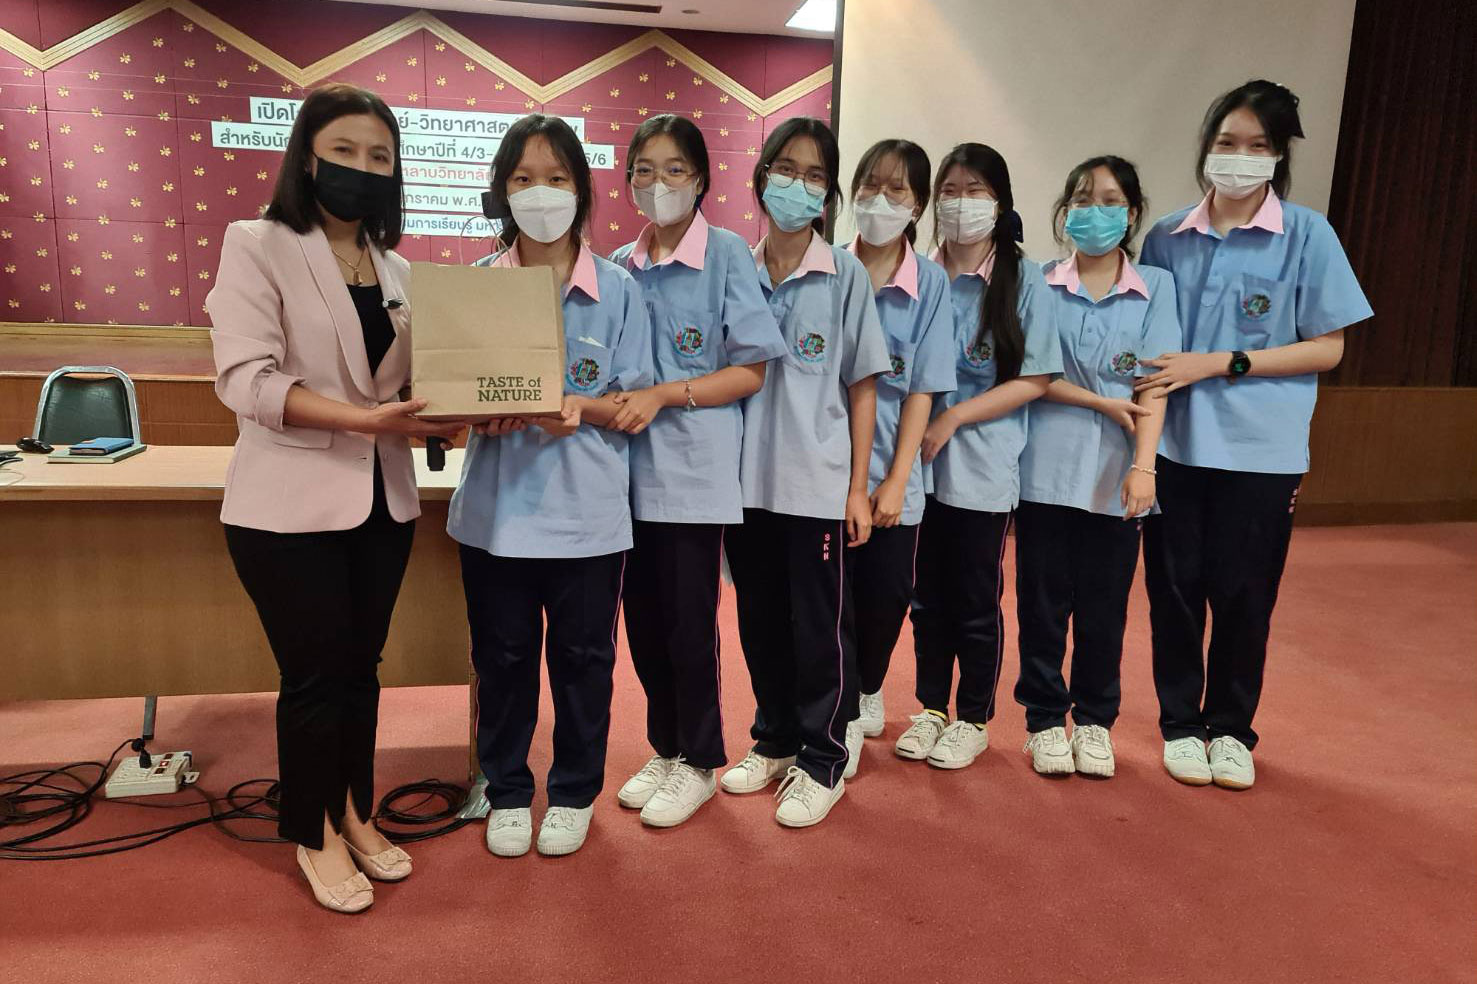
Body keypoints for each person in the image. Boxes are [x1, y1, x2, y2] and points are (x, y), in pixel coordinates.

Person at [208, 83, 461, 914]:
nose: (363, 168)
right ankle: (310, 833)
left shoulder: (399, 270)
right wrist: (364, 420)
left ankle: (352, 810)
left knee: (361, 671)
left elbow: (409, 388)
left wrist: (453, 412)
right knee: (314, 676)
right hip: (286, 507)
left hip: (383, 504)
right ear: (307, 159)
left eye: (380, 156)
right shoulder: (257, 243)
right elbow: (246, 381)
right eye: (344, 151)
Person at [1137, 80, 1371, 790]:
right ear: (1206, 149)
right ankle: (1181, 724)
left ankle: (1232, 729)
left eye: (1256, 146)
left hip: (1261, 453)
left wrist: (1221, 362)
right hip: (1175, 447)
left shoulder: (1306, 234)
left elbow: (1327, 347)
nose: (1238, 158)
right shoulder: (1166, 236)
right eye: (1226, 143)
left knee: (1244, 597)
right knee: (1173, 592)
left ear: (1277, 157)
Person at [450, 114, 653, 856]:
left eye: (557, 178)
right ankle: (506, 789)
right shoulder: (476, 287)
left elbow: (634, 402)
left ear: (581, 190)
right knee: (501, 660)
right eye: (524, 179)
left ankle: (572, 791)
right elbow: (448, 398)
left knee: (583, 663)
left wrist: (581, 409)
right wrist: (479, 413)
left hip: (587, 519)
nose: (541, 193)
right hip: (496, 517)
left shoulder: (620, 291)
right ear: (503, 192)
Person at [606, 115, 787, 829]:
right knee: (644, 626)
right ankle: (667, 747)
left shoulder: (727, 255)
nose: (659, 184)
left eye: (674, 169)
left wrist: (663, 394)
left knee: (687, 625)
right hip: (622, 475)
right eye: (644, 170)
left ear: (702, 179)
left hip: (691, 473)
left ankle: (702, 759)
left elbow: (750, 370)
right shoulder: (619, 263)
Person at [720, 116, 891, 828]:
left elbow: (863, 386)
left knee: (819, 630)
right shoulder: (733, 268)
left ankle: (824, 758)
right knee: (759, 622)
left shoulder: (843, 274)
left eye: (815, 175)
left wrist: (856, 489)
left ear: (828, 194)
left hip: (815, 485)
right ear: (762, 177)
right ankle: (774, 739)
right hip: (741, 484)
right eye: (786, 169)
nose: (798, 184)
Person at [895, 142, 1062, 770]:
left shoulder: (1023, 279)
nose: (960, 203)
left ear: (1000, 202)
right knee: (923, 597)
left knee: (973, 596)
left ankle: (972, 717)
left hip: (982, 466)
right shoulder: (918, 272)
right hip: (916, 467)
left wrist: (955, 416)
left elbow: (1036, 377)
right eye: (950, 190)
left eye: (975, 191)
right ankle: (931, 707)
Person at [1014, 155, 1181, 778]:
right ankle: (1042, 721)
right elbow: (1032, 374)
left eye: (1109, 201)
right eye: (1082, 200)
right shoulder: (1039, 281)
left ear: (1131, 213)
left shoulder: (1156, 286)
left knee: (1105, 607)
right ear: (1066, 212)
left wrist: (1146, 467)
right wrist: (1101, 402)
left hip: (1116, 476)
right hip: (1042, 471)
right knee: (1041, 605)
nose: (1094, 212)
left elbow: (1155, 382)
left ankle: (1093, 720)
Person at [843, 139, 956, 744]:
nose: (880, 199)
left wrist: (895, 479)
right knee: (828, 598)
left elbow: (923, 389)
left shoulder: (930, 283)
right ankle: (833, 705)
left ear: (917, 205)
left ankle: (866, 687)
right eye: (870, 185)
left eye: (897, 190)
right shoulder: (830, 267)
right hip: (825, 467)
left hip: (893, 469)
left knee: (885, 595)